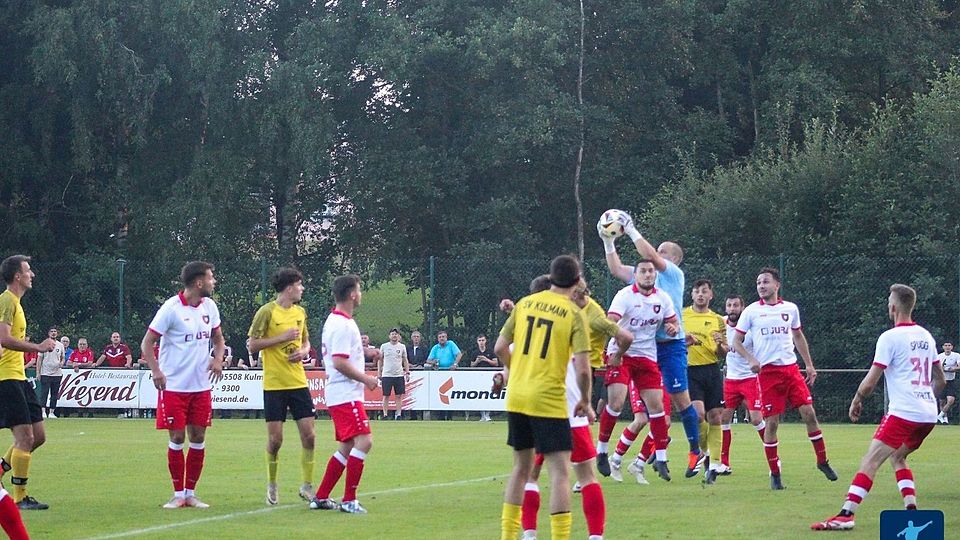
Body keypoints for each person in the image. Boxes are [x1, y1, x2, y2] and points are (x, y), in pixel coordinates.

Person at [811, 284, 943, 531]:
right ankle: (911, 509)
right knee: (898, 456)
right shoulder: (926, 336)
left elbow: (870, 382)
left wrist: (857, 400)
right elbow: (941, 379)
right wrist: (925, 399)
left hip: (904, 412)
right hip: (928, 414)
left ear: (893, 307)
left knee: (870, 461)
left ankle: (846, 514)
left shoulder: (889, 337)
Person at [494, 255, 593, 540]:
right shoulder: (574, 313)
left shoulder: (524, 304)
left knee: (520, 469)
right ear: (576, 282)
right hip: (548, 399)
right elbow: (583, 369)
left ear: (550, 278)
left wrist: (518, 369)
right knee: (560, 472)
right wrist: (585, 400)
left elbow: (501, 346)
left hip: (517, 396)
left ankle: (508, 536)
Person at [517, 275, 624, 540]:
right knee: (585, 476)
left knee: (532, 475)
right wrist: (586, 402)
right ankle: (595, 536)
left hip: (539, 412)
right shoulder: (574, 322)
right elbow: (584, 369)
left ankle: (529, 535)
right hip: (572, 412)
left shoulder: (526, 328)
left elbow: (506, 356)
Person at [599, 211, 704, 476]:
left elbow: (652, 257)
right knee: (649, 413)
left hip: (670, 346)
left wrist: (631, 229)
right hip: (641, 348)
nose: (654, 254)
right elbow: (615, 268)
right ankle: (632, 456)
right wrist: (607, 240)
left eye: (661, 252)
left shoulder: (673, 275)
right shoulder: (643, 276)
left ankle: (695, 452)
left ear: (674, 259)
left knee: (682, 401)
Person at [731, 267, 836, 490]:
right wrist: (751, 359)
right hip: (768, 374)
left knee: (809, 413)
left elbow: (798, 335)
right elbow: (736, 342)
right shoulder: (751, 312)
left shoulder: (790, 309)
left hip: (790, 370)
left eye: (765, 282)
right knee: (772, 423)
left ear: (776, 285)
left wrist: (808, 364)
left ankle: (822, 461)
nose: (761, 286)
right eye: (758, 282)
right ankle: (775, 473)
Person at [141, 261, 225, 509]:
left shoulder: (210, 306)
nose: (213, 282)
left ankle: (191, 493)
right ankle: (178, 494)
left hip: (200, 387)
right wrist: (156, 371)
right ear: (199, 282)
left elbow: (219, 339)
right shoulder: (171, 308)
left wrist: (218, 359)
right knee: (177, 437)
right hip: (174, 387)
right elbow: (147, 343)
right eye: (211, 278)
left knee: (198, 436)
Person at [597, 260, 679, 483]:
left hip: (646, 357)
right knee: (615, 403)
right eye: (643, 271)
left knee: (658, 409)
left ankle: (660, 458)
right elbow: (610, 321)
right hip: (621, 354)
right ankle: (602, 451)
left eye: (651, 271)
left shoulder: (662, 298)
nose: (647, 274)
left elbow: (674, 323)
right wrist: (617, 343)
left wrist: (673, 328)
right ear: (636, 274)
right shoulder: (624, 295)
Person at [309, 275, 379, 514]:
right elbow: (339, 362)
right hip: (345, 392)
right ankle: (349, 499)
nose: (360, 294)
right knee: (365, 441)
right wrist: (367, 379)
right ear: (352, 294)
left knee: (347, 446)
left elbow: (342, 354)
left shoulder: (337, 320)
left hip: (341, 393)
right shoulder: (343, 324)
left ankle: (321, 496)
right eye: (359, 290)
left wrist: (366, 352)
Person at [248, 267, 316, 506]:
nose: (302, 289)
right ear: (289, 288)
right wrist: (282, 337)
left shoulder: (300, 312)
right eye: (299, 285)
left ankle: (307, 485)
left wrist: (304, 352)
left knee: (310, 436)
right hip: (274, 384)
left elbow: (306, 342)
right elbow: (252, 345)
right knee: (276, 440)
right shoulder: (266, 312)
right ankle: (272, 484)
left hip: (298, 382)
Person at [0, 255, 57, 510]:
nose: (32, 274)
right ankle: (20, 497)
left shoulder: (16, 303)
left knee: (38, 437)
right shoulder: (6, 301)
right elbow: (5, 339)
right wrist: (39, 348)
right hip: (7, 378)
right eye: (28, 270)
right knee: (25, 437)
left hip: (19, 378)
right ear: (17, 276)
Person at [682, 279, 727, 483]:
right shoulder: (682, 315)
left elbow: (722, 353)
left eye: (704, 291)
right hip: (690, 371)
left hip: (711, 370)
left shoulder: (717, 319)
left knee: (715, 416)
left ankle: (715, 463)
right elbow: (672, 342)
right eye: (697, 291)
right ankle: (702, 452)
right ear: (691, 294)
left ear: (711, 295)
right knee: (698, 415)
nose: (700, 295)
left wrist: (719, 345)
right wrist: (686, 342)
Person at [717, 295, 766, 476]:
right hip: (731, 379)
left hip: (750, 379)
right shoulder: (720, 324)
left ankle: (773, 457)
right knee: (724, 418)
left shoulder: (750, 329)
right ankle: (724, 463)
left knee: (756, 419)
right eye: (729, 305)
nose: (732, 309)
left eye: (736, 305)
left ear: (742, 307)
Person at [465, 334, 499, 422]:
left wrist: (486, 359)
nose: (481, 342)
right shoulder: (475, 352)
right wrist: (477, 361)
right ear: (477, 342)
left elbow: (496, 363)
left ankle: (488, 415)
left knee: (489, 394)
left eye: (483, 340)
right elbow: (471, 365)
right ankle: (482, 415)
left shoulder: (490, 351)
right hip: (478, 376)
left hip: (489, 375)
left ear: (485, 341)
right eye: (479, 341)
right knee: (481, 394)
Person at [378, 329, 409, 421]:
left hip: (398, 374)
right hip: (387, 374)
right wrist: (379, 372)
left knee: (399, 395)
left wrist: (407, 372)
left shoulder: (402, 347)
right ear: (389, 336)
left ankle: (398, 414)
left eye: (396, 334)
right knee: (386, 395)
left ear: (398, 336)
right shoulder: (384, 346)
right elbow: (380, 360)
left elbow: (405, 360)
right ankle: (385, 414)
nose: (394, 336)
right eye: (392, 334)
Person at [36, 327, 65, 420]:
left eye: (55, 331)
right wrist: (38, 372)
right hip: (45, 372)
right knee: (44, 393)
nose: (53, 333)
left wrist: (61, 363)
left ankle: (52, 412)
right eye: (51, 331)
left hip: (57, 373)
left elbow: (63, 357)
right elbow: (39, 359)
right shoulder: (44, 344)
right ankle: (43, 411)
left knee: (54, 394)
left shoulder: (60, 345)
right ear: (48, 333)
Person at [936, 341, 957, 423]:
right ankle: (945, 420)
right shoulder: (939, 356)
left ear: (952, 347)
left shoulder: (956, 355)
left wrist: (951, 369)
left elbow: (959, 366)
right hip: (941, 381)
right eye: (946, 345)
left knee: (951, 400)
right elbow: (937, 368)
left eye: (949, 345)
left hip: (951, 381)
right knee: (942, 402)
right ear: (943, 347)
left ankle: (940, 415)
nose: (947, 347)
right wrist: (942, 369)